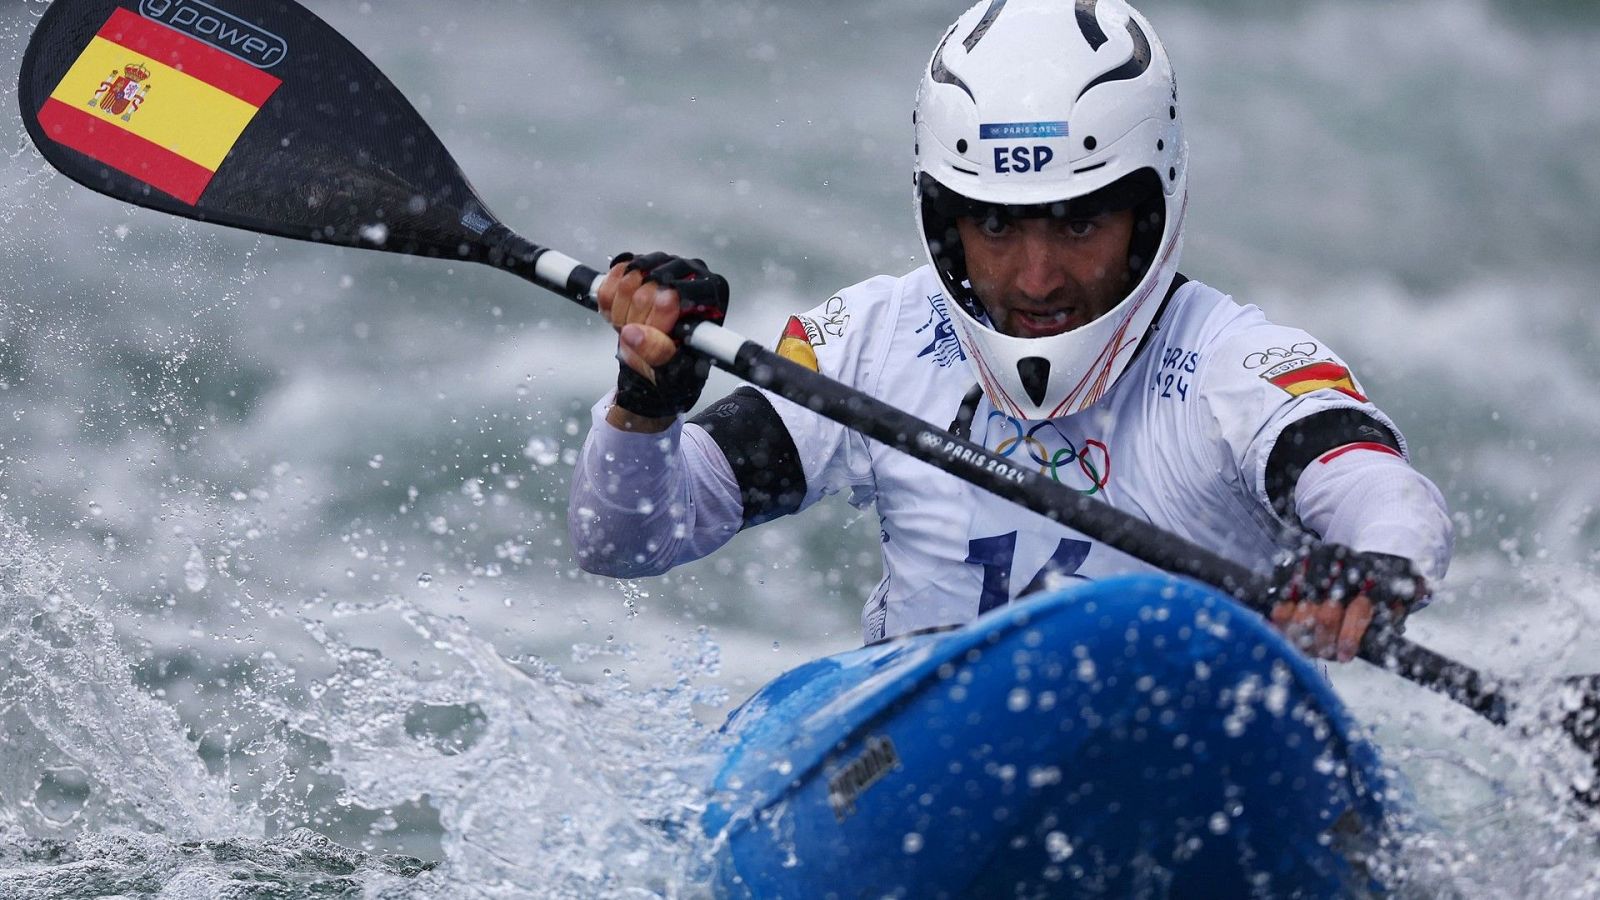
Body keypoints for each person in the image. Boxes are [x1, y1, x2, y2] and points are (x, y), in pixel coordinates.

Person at [567, 0, 1452, 663]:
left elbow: (1380, 490)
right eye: (996, 226)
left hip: (1181, 772)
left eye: (1077, 224)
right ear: (946, 219)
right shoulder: (872, 341)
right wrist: (646, 407)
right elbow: (624, 542)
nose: (1035, 279)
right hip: (924, 769)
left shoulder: (1238, 366)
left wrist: (1367, 571)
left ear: (1150, 208)